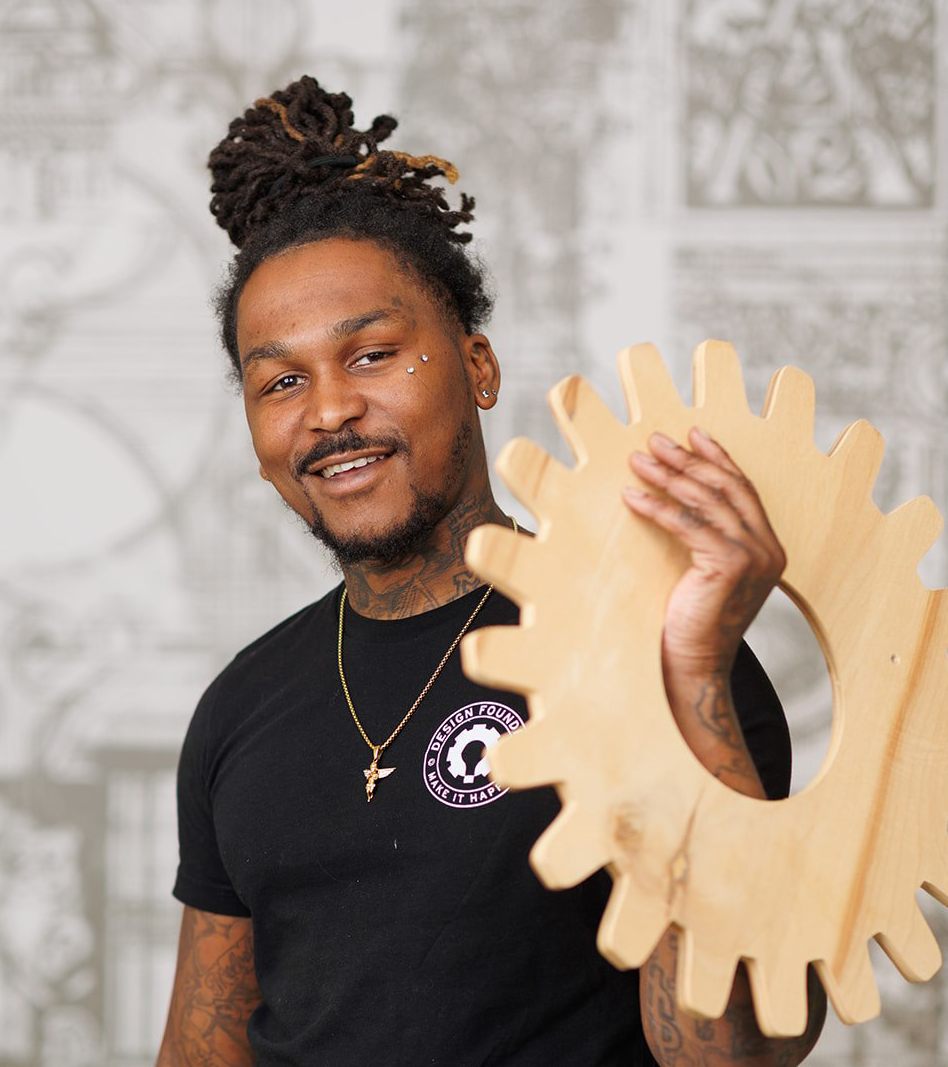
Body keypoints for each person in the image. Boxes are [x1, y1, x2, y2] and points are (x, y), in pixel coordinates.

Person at [156, 75, 827, 1067]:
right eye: (282, 380)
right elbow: (199, 1047)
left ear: (479, 365)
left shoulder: (660, 644)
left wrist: (691, 670)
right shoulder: (239, 706)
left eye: (371, 354)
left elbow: (730, 1051)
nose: (328, 410)